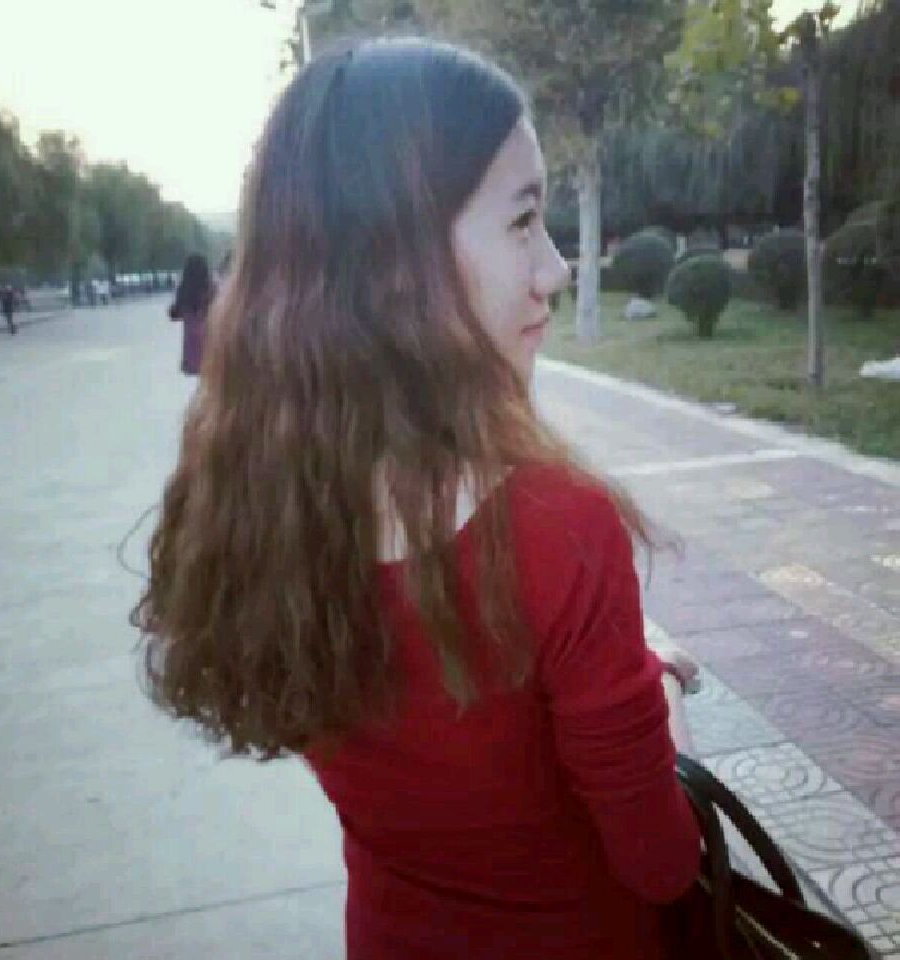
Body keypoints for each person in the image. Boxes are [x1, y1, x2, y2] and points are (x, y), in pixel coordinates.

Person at [132, 39, 701, 959]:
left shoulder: (258, 506)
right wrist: (660, 703)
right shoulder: (559, 528)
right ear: (399, 262)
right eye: (523, 222)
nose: (555, 268)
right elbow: (662, 866)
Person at [168, 253, 213, 376]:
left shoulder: (184, 290)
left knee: (200, 375)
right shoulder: (211, 288)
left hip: (192, 344)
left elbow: (174, 314)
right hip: (210, 340)